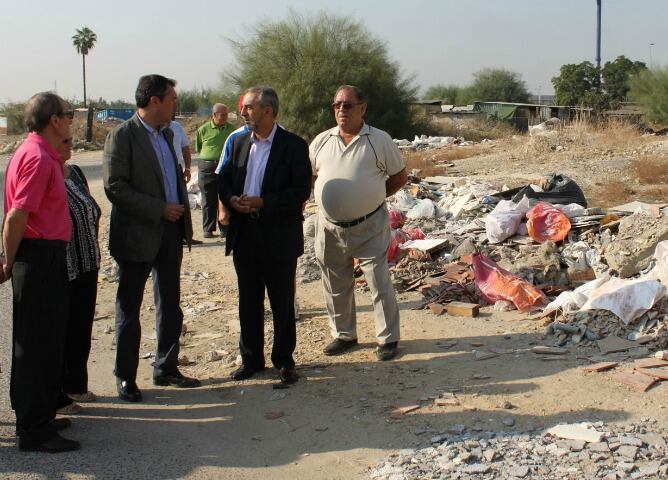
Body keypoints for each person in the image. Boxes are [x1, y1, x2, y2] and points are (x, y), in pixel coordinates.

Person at [103, 74, 200, 403]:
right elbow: (115, 187)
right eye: (172, 99)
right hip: (137, 234)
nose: (175, 105)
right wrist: (159, 209)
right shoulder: (122, 136)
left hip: (170, 233)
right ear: (154, 101)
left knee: (170, 304)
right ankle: (126, 377)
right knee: (129, 309)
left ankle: (166, 367)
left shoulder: (168, 134)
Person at [1, 92, 79, 452]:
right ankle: (33, 429)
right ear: (54, 121)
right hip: (38, 256)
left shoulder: (41, 154)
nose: (71, 120)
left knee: (46, 342)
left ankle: (40, 415)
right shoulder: (37, 157)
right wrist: (9, 260)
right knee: (35, 345)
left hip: (43, 254)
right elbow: (17, 215)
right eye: (68, 114)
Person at [218, 86, 311, 384]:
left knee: (281, 301)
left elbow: (300, 191)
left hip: (278, 235)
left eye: (249, 107)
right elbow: (224, 180)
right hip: (244, 232)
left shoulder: (293, 145)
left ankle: (284, 360)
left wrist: (263, 203)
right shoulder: (238, 142)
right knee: (248, 299)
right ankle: (251, 360)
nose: (243, 112)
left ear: (268, 110)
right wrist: (231, 199)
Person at [309, 85, 408, 361]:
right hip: (329, 226)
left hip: (369, 226)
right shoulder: (321, 141)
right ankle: (344, 335)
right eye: (337, 104)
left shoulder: (379, 140)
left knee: (378, 281)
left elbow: (399, 177)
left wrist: (371, 197)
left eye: (348, 105)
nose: (342, 109)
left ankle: (388, 339)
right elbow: (311, 176)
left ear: (362, 108)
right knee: (335, 282)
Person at [54, 135, 101, 414]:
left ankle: (76, 384)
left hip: (87, 263)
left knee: (81, 328)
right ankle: (58, 392)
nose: (70, 145)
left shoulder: (75, 173)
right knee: (62, 329)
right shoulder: (48, 175)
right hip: (65, 266)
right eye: (65, 141)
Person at [196, 103, 234, 238]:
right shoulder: (203, 129)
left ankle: (225, 228)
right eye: (222, 115)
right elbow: (199, 147)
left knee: (225, 196)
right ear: (214, 115)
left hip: (225, 167)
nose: (225, 117)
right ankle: (208, 229)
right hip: (207, 167)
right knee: (208, 198)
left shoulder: (231, 130)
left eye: (226, 114)